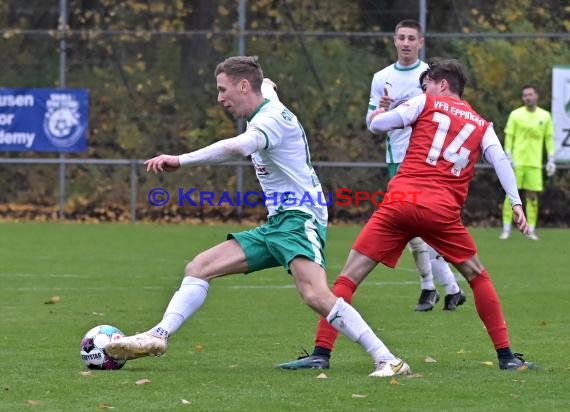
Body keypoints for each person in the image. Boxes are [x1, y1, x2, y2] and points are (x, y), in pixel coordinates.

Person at [104, 56, 411, 378]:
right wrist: (264, 79)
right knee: (199, 267)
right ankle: (159, 335)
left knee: (316, 295)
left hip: (299, 217)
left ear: (243, 86)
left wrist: (180, 160)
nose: (220, 98)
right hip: (278, 222)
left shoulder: (271, 119)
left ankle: (387, 359)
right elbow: (269, 85)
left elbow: (239, 147)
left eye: (224, 90)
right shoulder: (265, 98)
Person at [277, 58, 535, 372]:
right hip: (441, 210)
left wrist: (380, 110)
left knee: (347, 278)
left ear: (441, 84)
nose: (423, 89)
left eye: (426, 84)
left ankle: (321, 352)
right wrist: (516, 202)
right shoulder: (482, 124)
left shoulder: (426, 101)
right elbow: (500, 161)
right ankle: (507, 357)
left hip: (401, 200)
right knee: (477, 276)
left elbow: (377, 125)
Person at [367, 19, 465, 312]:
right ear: (394, 41)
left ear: (420, 42)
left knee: (421, 228)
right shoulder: (381, 77)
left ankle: (437, 288)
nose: (406, 42)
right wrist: (384, 109)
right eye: (402, 37)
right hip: (397, 161)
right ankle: (443, 289)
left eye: (412, 38)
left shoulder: (432, 78)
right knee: (413, 232)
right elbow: (371, 122)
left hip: (427, 163)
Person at [500, 84, 555, 241]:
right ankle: (506, 229)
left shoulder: (545, 116)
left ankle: (531, 229)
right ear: (523, 98)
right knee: (510, 196)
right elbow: (509, 136)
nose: (528, 97)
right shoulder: (515, 115)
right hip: (516, 162)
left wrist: (551, 158)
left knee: (532, 197)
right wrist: (508, 155)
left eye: (530, 94)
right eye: (525, 95)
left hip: (534, 163)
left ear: (536, 96)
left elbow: (549, 138)